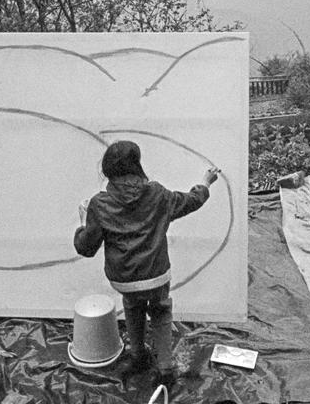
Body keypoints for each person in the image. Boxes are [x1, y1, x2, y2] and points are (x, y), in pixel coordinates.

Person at [73, 140, 220, 384]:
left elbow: (86, 248)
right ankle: (165, 370)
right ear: (137, 164)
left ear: (108, 168)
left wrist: (83, 222)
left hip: (124, 280)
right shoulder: (157, 194)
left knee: (132, 306)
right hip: (156, 275)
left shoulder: (99, 204)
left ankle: (138, 356)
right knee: (161, 312)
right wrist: (205, 182)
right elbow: (192, 201)